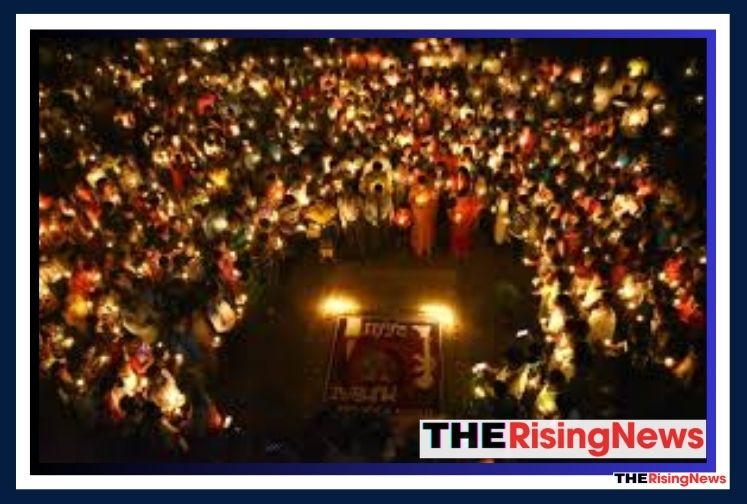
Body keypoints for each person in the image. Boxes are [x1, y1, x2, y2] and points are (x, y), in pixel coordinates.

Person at [408, 175, 437, 258]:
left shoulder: (430, 189)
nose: (421, 186)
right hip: (417, 211)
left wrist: (427, 203)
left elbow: (434, 199)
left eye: (423, 184)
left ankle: (427, 248)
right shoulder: (414, 189)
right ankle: (419, 248)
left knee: (428, 230)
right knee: (418, 229)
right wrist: (416, 204)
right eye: (420, 184)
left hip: (427, 211)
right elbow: (410, 199)